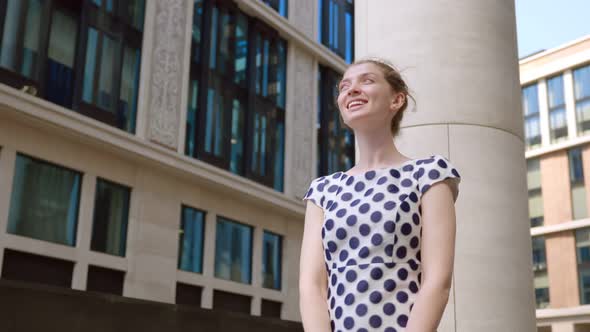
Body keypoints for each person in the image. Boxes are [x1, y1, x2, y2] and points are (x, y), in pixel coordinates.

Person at [299, 57, 461, 332]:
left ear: (396, 100)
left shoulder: (428, 174)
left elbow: (437, 281)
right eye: (344, 86)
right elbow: (311, 286)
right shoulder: (324, 190)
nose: (351, 90)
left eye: (367, 80)